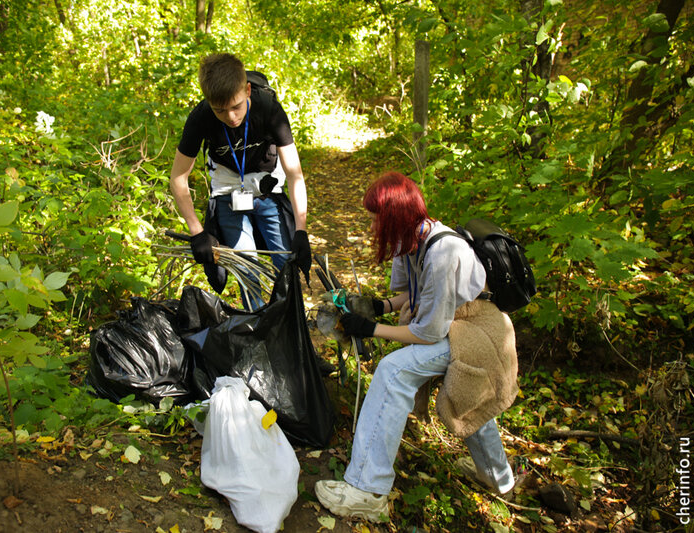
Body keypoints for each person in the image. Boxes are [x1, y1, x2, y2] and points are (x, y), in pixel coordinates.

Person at [314, 172, 520, 522]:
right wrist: (382, 307)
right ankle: (499, 479)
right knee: (473, 397)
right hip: (454, 323)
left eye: (377, 219)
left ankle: (368, 489)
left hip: (479, 331)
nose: (373, 226)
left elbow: (427, 332)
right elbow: (416, 295)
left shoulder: (444, 250)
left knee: (394, 371)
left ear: (395, 217)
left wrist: (371, 328)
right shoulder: (410, 242)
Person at [169, 53, 311, 310]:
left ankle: (290, 320)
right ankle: (257, 327)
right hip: (228, 190)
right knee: (247, 269)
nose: (231, 117)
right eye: (220, 110)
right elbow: (178, 177)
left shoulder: (268, 108)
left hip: (268, 188)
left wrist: (301, 230)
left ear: (247, 91)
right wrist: (197, 232)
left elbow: (294, 173)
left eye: (236, 107)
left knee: (285, 266)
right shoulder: (201, 117)